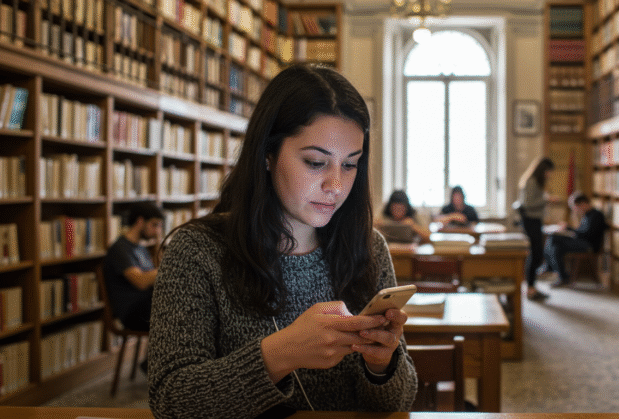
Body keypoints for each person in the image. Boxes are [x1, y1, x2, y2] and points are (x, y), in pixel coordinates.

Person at [148, 64, 417, 418]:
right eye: (316, 162)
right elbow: (171, 401)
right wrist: (279, 355)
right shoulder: (198, 252)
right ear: (267, 154)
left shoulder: (368, 248)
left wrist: (382, 367)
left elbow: (397, 404)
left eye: (350, 165)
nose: (336, 185)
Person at [103, 201, 164, 332]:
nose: (157, 231)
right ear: (140, 221)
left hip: (147, 305)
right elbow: (141, 281)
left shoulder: (141, 248)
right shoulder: (120, 249)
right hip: (133, 312)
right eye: (154, 225)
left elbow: (153, 278)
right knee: (180, 318)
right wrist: (169, 269)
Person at [543, 192, 608, 288]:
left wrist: (568, 229)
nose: (574, 210)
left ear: (583, 204)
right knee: (555, 245)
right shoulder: (587, 215)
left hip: (589, 246)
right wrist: (569, 231)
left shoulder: (596, 215)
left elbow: (587, 235)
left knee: (554, 239)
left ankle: (550, 268)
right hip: (582, 242)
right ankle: (560, 275)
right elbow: (581, 232)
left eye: (575, 207)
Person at [516, 157, 555, 301]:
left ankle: (531, 287)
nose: (549, 175)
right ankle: (530, 288)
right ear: (543, 170)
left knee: (537, 253)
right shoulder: (532, 181)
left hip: (535, 220)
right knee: (535, 254)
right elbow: (527, 203)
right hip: (530, 221)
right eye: (549, 171)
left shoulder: (535, 181)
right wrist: (547, 200)